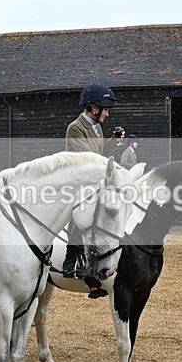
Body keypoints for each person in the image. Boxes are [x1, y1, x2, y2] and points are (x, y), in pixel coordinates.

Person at [63, 82, 126, 296]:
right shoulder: (75, 128)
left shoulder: (97, 128)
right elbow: (87, 161)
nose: (107, 114)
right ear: (93, 108)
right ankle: (69, 262)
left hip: (95, 183)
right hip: (79, 181)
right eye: (105, 109)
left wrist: (112, 142)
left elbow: (99, 153)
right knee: (81, 215)